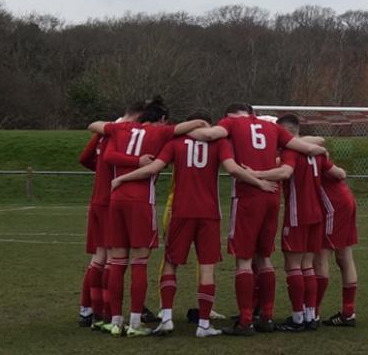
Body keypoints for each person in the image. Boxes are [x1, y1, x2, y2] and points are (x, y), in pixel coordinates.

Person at [110, 109, 279, 338]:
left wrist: (121, 178)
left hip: (181, 211)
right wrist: (260, 183)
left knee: (171, 263)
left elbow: (152, 169)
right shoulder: (219, 143)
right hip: (209, 213)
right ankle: (203, 325)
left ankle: (167, 318)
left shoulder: (176, 142)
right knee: (207, 268)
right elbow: (232, 169)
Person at [187, 102, 327, 337]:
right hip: (272, 195)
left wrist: (178, 129)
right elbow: (306, 145)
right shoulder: (270, 127)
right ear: (252, 113)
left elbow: (209, 134)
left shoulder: (230, 123)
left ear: (229, 115)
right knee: (264, 257)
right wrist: (321, 150)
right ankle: (267, 316)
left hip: (247, 195)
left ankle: (245, 321)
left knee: (243, 260)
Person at [89, 96, 208, 337]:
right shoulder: (160, 135)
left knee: (117, 262)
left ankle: (114, 321)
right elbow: (191, 126)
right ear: (162, 119)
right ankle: (135, 322)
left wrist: (127, 163)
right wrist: (203, 126)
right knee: (139, 263)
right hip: (141, 200)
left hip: (116, 199)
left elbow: (99, 135)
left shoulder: (121, 128)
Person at [251, 113, 346, 332]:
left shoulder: (290, 151)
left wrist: (257, 174)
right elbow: (338, 173)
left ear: (283, 132)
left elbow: (285, 172)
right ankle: (310, 315)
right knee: (307, 266)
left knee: (292, 266)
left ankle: (297, 318)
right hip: (317, 215)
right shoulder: (315, 154)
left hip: (297, 214)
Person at [77, 100, 145, 331]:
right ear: (137, 119)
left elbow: (85, 158)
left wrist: (100, 175)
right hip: (110, 201)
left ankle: (88, 309)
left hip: (97, 199)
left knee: (99, 257)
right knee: (110, 259)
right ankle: (103, 313)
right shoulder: (120, 134)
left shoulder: (103, 132)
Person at [314, 134, 359, 328]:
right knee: (344, 257)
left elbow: (339, 174)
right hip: (345, 200)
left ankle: (312, 312)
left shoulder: (310, 152)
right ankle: (348, 313)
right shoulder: (310, 149)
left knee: (321, 257)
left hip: (334, 205)